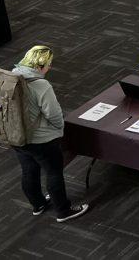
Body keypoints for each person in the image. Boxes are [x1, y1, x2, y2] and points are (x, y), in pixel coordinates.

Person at [10, 45, 89, 222]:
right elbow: (53, 114)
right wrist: (59, 131)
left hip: (15, 136)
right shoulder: (40, 85)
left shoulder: (11, 77)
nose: (50, 68)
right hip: (40, 140)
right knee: (53, 172)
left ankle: (38, 205)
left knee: (28, 170)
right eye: (48, 64)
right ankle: (63, 211)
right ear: (39, 66)